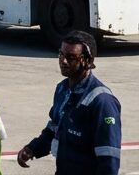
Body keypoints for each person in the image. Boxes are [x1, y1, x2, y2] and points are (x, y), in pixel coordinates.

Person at [17, 30, 122, 175]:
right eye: (61, 54)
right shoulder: (62, 90)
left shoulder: (102, 102)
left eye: (71, 57)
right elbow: (54, 128)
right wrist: (33, 149)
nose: (64, 61)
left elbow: (109, 159)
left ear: (87, 61)